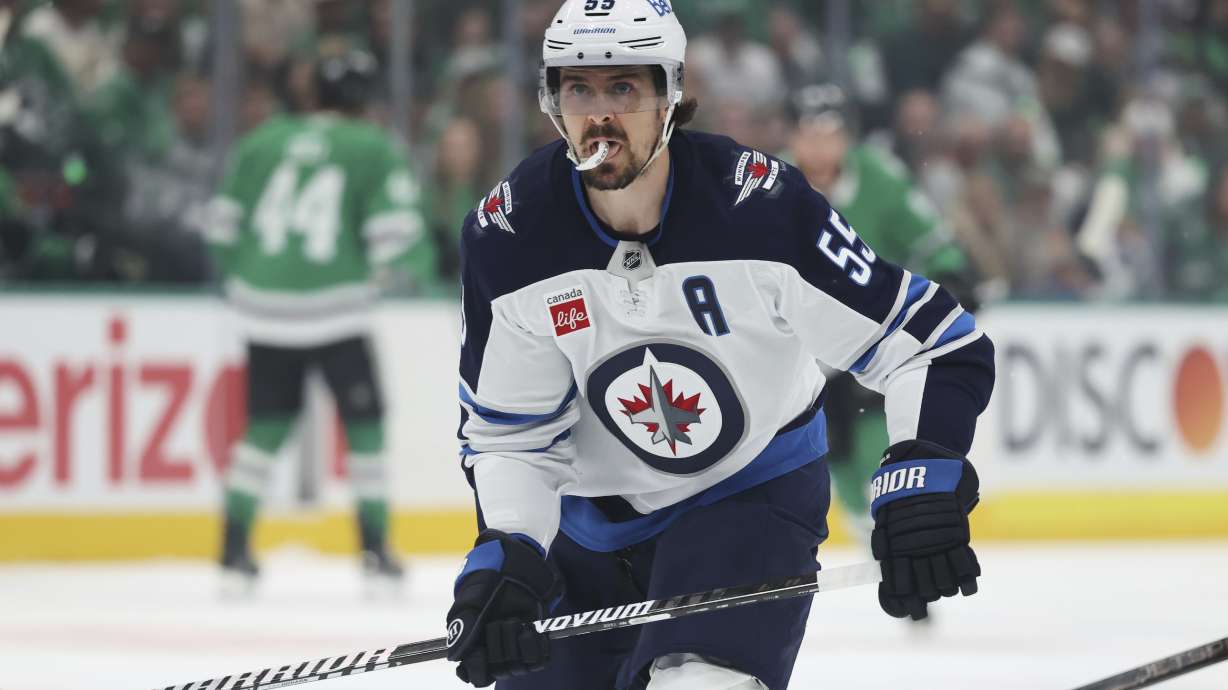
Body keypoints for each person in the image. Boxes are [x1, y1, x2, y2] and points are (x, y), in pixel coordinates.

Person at [445, 2, 995, 689]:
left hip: (745, 501)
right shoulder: (512, 237)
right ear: (552, 101)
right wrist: (510, 546)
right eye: (579, 88)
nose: (600, 114)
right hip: (584, 533)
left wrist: (923, 471)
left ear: (672, 96)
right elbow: (510, 437)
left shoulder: (761, 212)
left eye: (625, 89)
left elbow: (934, 344)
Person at [205, 49, 430, 590]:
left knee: (263, 428)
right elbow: (395, 236)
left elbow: (220, 227)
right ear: (365, 102)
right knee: (365, 426)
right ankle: (375, 551)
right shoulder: (373, 147)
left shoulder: (262, 140)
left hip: (263, 309)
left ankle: (233, 552)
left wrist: (247, 281)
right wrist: (385, 276)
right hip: (338, 310)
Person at [787, 84, 982, 543]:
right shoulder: (767, 182)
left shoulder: (880, 178)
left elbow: (933, 241)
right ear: (792, 137)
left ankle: (892, 528)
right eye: (808, 132)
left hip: (870, 333)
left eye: (829, 132)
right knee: (835, 458)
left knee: (877, 438)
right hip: (800, 345)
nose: (818, 144)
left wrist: (952, 275)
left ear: (847, 137)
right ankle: (866, 518)